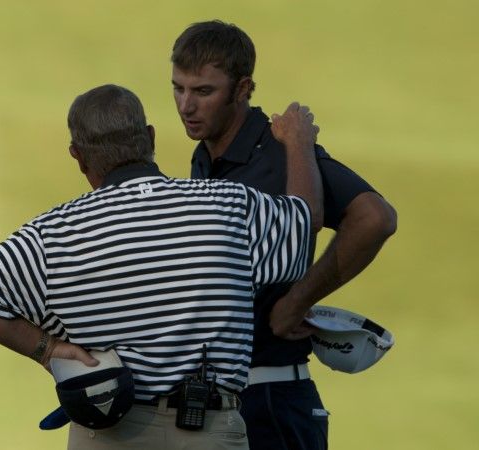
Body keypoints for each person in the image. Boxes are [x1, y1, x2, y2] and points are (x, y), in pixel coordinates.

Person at [0, 84, 323, 449]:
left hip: (108, 432)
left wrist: (47, 349)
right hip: (208, 431)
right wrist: (299, 143)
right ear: (150, 137)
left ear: (77, 155)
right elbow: (303, 227)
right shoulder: (227, 206)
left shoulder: (54, 233)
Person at [170, 20, 398, 450]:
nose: (186, 106)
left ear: (242, 89)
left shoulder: (282, 150)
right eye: (178, 88)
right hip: (227, 403)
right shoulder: (205, 157)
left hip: (272, 400)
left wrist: (298, 301)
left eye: (203, 92)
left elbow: (375, 219)